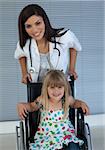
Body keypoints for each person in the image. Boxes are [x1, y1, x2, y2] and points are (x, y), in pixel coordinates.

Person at [17, 70, 89, 150]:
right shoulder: (43, 100)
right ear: (46, 88)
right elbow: (31, 106)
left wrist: (81, 103)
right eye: (52, 87)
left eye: (59, 87)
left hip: (65, 134)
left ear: (65, 88)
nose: (56, 91)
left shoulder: (67, 100)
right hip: (47, 136)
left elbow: (75, 103)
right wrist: (22, 105)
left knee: (73, 147)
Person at [14, 4, 82, 84]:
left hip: (61, 88)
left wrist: (72, 69)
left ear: (45, 21)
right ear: (24, 28)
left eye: (38, 23)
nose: (35, 30)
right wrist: (24, 73)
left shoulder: (64, 36)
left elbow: (74, 47)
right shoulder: (25, 43)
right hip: (38, 89)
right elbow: (20, 54)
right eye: (29, 26)